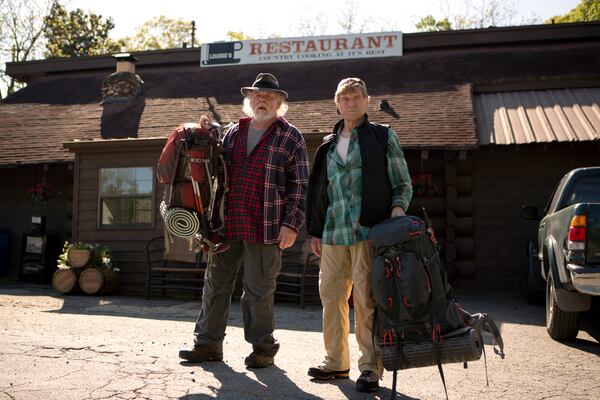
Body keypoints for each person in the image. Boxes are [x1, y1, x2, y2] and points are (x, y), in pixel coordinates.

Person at [179, 73, 309, 368]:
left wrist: (292, 223)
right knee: (215, 285)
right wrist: (205, 133)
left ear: (279, 103)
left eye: (268, 97)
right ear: (249, 101)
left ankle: (263, 349)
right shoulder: (233, 132)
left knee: (259, 291)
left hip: (267, 226)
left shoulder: (291, 136)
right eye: (257, 96)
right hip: (227, 224)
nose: (262, 100)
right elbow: (213, 167)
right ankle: (207, 344)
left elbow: (300, 186)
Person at [306, 77, 412, 392]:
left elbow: (402, 182)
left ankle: (370, 367)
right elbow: (319, 194)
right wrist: (315, 231)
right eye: (344, 98)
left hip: (369, 232)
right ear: (336, 103)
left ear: (366, 102)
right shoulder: (327, 144)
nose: (350, 102)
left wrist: (397, 210)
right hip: (333, 233)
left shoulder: (382, 136)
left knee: (367, 300)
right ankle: (336, 363)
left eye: (356, 97)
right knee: (332, 298)